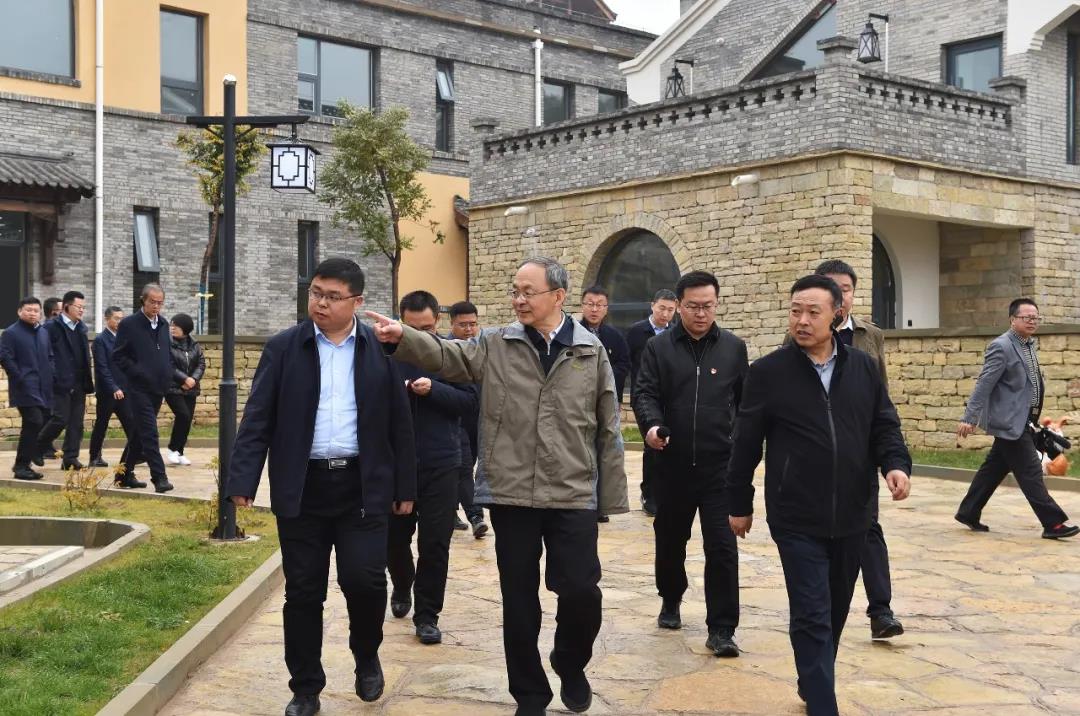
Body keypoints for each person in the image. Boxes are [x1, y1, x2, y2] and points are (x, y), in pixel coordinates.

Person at [366, 256, 628, 716]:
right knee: (519, 601)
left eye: (528, 291)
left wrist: (609, 497)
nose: (518, 300)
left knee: (582, 591)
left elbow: (608, 425)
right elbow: (447, 356)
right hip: (511, 492)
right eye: (515, 291)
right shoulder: (494, 343)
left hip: (572, 491)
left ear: (558, 296)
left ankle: (570, 663)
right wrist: (402, 336)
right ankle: (530, 695)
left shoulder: (590, 350)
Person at [227, 258, 416, 716]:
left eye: (332, 296)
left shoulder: (380, 350)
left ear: (357, 302)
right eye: (315, 293)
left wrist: (405, 486)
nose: (321, 303)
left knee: (365, 582)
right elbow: (257, 418)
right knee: (304, 592)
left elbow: (400, 423)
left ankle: (366, 655)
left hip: (362, 487)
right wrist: (242, 478)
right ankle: (306, 687)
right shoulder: (284, 348)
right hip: (303, 488)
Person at [727, 274, 912, 716]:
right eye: (796, 311)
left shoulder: (863, 368)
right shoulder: (768, 373)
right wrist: (739, 503)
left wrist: (895, 464)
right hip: (795, 515)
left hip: (854, 512)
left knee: (835, 608)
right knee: (811, 610)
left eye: (813, 312)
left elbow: (884, 424)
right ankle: (824, 702)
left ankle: (814, 678)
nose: (802, 320)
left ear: (837, 315)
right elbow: (746, 443)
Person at [632, 271, 746, 658]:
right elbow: (644, 393)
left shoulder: (733, 348)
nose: (701, 314)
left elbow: (744, 403)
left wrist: (739, 444)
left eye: (708, 306)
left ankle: (722, 629)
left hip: (719, 469)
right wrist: (652, 427)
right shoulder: (658, 348)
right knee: (670, 542)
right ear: (679, 305)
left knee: (722, 548)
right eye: (693, 306)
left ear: (717, 304)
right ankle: (671, 597)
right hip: (672, 465)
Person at [814, 259, 903, 640]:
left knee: (869, 526)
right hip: (817, 453)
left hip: (859, 452)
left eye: (846, 289)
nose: (840, 296)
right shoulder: (801, 334)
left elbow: (880, 397)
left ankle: (881, 610)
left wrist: (888, 454)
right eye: (831, 288)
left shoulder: (871, 336)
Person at [388, 291, 479, 645]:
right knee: (394, 539)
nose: (418, 335)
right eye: (411, 328)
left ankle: (427, 614)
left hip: (441, 461)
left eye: (425, 328)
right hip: (397, 464)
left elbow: (469, 402)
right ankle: (402, 583)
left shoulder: (451, 355)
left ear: (437, 322)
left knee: (435, 543)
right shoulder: (386, 355)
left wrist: (434, 390)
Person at [955, 298, 1078, 539]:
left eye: (1035, 317)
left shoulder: (1028, 345)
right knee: (1031, 472)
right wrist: (969, 417)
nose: (1032, 321)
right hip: (1010, 422)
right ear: (1013, 319)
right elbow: (984, 384)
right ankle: (1053, 524)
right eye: (1026, 317)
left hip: (1024, 420)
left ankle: (968, 511)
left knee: (993, 469)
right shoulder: (1001, 346)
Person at [112, 284, 174, 493]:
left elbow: (166, 354)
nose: (156, 306)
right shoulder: (129, 324)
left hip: (158, 388)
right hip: (138, 388)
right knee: (149, 433)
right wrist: (138, 372)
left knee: (139, 434)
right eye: (152, 302)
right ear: (143, 300)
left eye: (160, 303)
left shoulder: (163, 324)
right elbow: (118, 356)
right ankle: (159, 477)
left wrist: (169, 375)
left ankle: (123, 475)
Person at [626, 289, 678, 516]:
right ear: (652, 305)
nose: (665, 314)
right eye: (661, 308)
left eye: (670, 310)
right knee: (652, 444)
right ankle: (649, 494)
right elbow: (626, 362)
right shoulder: (636, 332)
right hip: (644, 397)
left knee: (668, 445)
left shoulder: (675, 333)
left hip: (669, 397)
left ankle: (667, 492)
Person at [35, 290, 94, 470]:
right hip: (59, 382)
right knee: (60, 418)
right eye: (78, 307)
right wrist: (53, 376)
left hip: (79, 382)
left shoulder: (81, 328)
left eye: (83, 307)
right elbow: (44, 355)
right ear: (67, 306)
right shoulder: (51, 327)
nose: (82, 310)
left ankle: (70, 458)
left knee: (76, 423)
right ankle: (37, 447)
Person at [1, 297, 53, 480]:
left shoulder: (43, 332)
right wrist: (19, 376)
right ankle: (22, 466)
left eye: (36, 311)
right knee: (34, 421)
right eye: (28, 310)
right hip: (24, 386)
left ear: (40, 313)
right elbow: (5, 357)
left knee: (42, 420)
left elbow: (50, 356)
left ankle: (26, 461)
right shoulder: (11, 333)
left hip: (43, 386)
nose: (32, 313)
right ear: (19, 311)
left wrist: (52, 374)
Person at [447, 300, 488, 537]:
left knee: (467, 466)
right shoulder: (444, 350)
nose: (469, 329)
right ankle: (475, 516)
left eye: (473, 324)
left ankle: (451, 509)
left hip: (479, 419)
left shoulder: (484, 349)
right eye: (463, 325)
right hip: (455, 420)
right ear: (452, 324)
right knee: (463, 467)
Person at [88, 306, 134, 468]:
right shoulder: (101, 340)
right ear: (107, 319)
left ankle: (136, 454)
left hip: (125, 390)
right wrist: (114, 388)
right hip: (108, 392)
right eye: (116, 318)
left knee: (131, 424)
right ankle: (95, 457)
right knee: (102, 424)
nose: (120, 322)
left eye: (122, 318)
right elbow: (102, 368)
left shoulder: (125, 339)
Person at [165, 312, 205, 466]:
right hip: (172, 387)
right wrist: (183, 379)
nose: (172, 328)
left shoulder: (194, 344)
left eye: (176, 326)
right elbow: (167, 364)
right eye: (171, 325)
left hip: (191, 388)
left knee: (187, 420)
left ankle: (180, 452)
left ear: (186, 329)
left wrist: (193, 379)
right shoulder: (167, 343)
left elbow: (201, 363)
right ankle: (172, 449)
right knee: (183, 415)